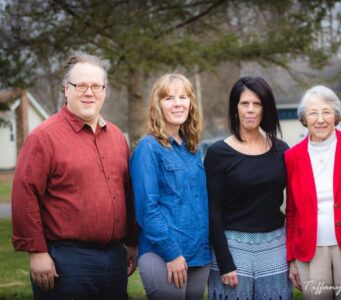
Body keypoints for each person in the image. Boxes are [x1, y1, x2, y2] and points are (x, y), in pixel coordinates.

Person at [11, 53, 138, 300]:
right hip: (65, 261)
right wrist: (37, 253)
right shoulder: (43, 138)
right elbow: (25, 196)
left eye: (96, 86)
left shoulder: (116, 138)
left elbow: (127, 192)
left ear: (105, 90)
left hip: (115, 258)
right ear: (66, 90)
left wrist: (132, 242)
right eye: (80, 85)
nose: (89, 92)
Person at [205, 76, 292, 299]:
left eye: (257, 104)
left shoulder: (282, 151)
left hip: (275, 248)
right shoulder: (218, 154)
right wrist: (225, 263)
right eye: (244, 104)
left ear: (266, 108)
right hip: (232, 249)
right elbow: (212, 211)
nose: (251, 110)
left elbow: (294, 205)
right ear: (235, 108)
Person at [129, 73, 211, 300]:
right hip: (164, 255)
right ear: (158, 105)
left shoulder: (192, 148)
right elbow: (147, 209)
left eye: (183, 97)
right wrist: (172, 254)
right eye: (169, 98)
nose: (178, 103)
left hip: (198, 253)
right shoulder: (148, 148)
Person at [285, 85, 341, 300]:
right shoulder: (292, 156)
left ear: (336, 115)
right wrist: (292, 259)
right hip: (310, 248)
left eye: (326, 112)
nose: (320, 119)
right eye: (313, 113)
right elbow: (291, 211)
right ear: (304, 119)